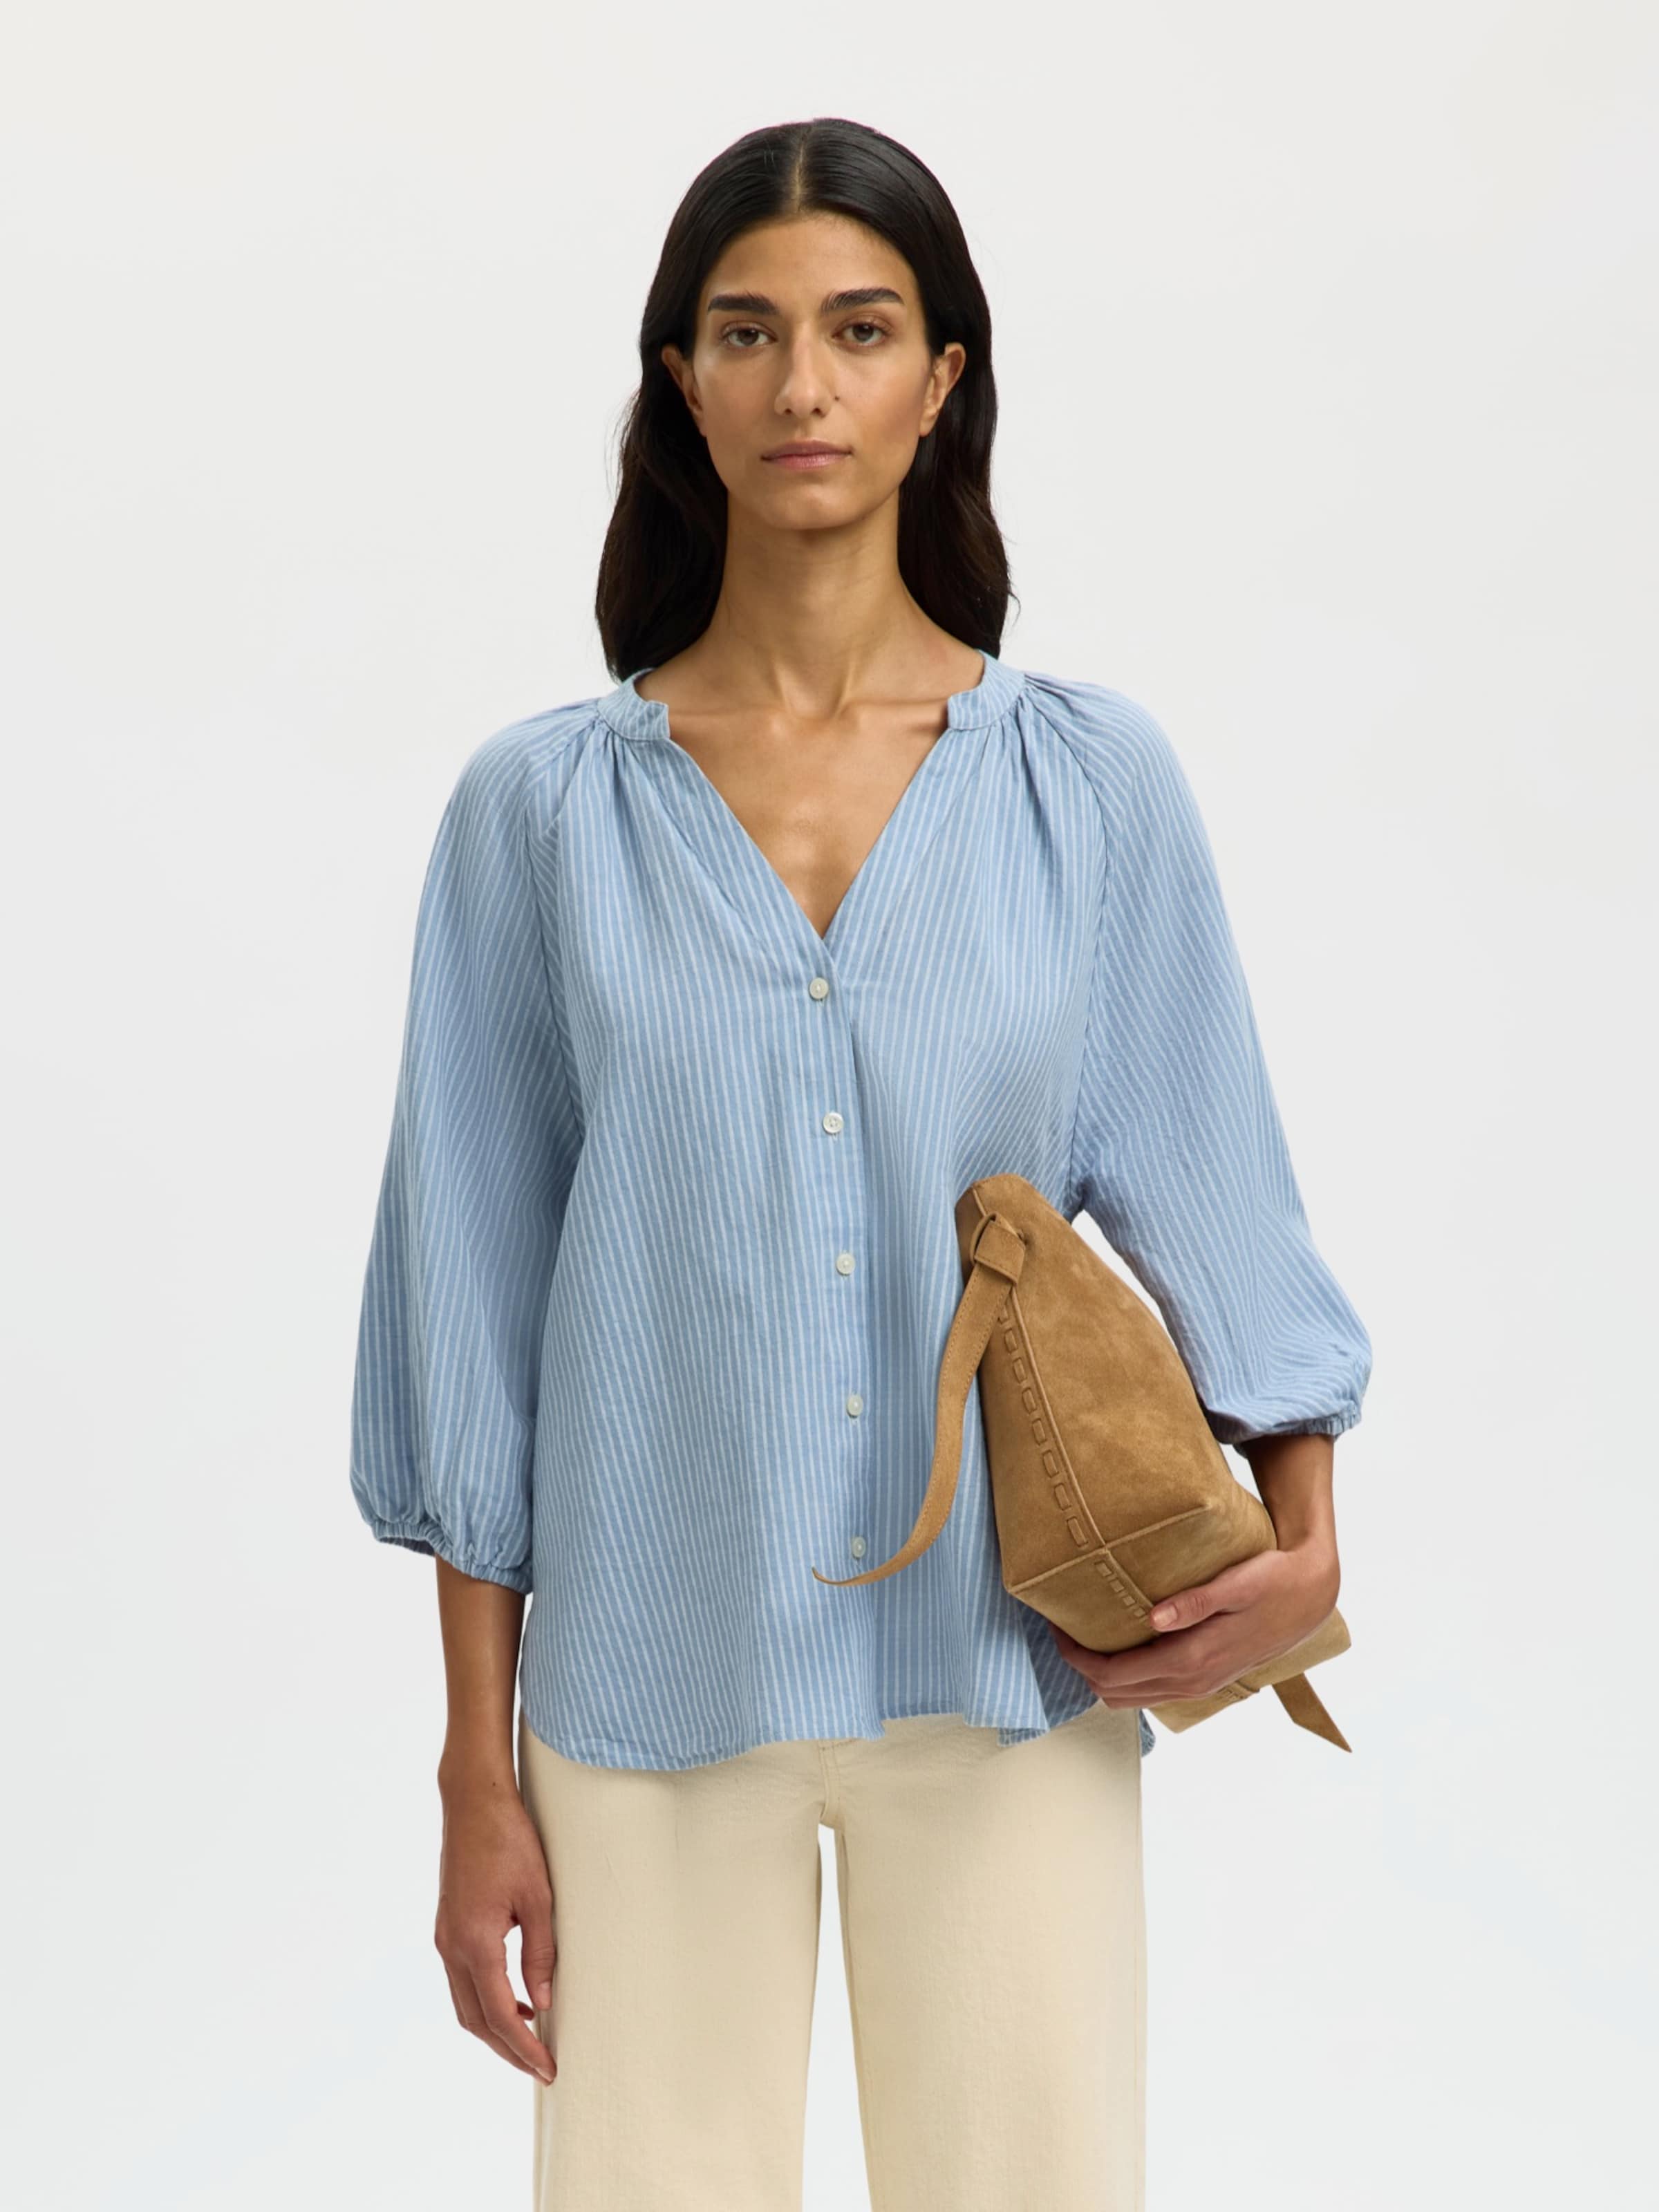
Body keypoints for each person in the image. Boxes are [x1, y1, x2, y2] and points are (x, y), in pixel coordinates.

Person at [348, 114, 1371, 2212]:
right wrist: (475, 1768)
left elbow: (1221, 1194)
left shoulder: (1088, 788)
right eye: (745, 333)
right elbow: (470, 1301)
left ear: (942, 378)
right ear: (680, 381)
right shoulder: (538, 819)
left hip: (1010, 1678)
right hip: (646, 1686)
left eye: (860, 329)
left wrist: (1309, 1541)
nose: (801, 385)